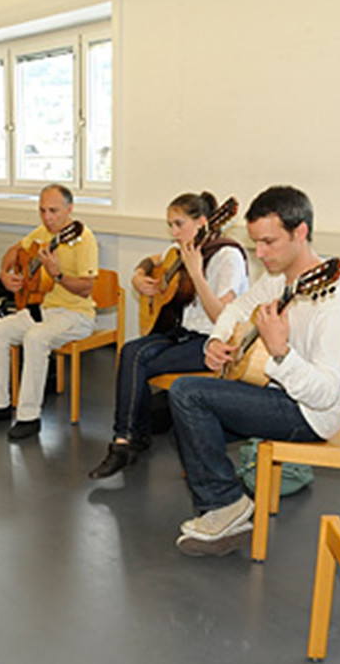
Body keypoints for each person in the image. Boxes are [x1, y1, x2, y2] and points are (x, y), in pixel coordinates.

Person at [169, 186, 340, 556]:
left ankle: (227, 505)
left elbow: (325, 394)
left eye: (268, 242)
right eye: (255, 242)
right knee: (178, 418)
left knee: (187, 394)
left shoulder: (336, 301)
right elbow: (237, 309)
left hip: (312, 414)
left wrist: (280, 352)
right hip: (276, 393)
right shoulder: (279, 278)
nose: (259, 254)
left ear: (300, 232)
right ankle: (228, 506)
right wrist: (217, 341)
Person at [88, 191, 248, 478]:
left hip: (213, 341)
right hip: (182, 332)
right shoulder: (180, 249)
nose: (173, 232)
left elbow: (221, 318)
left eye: (179, 224)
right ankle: (128, 439)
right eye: (170, 225)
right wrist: (138, 276)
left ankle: (128, 441)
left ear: (202, 222)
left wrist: (196, 274)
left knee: (140, 362)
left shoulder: (228, 256)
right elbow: (151, 260)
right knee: (130, 350)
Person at [0, 184, 99, 439]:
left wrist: (57, 275)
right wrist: (5, 274)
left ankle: (29, 417)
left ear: (69, 209)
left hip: (77, 314)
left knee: (35, 338)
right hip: (44, 310)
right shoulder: (42, 233)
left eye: (53, 211)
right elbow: (14, 252)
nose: (47, 217)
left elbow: (86, 289)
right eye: (42, 211)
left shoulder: (83, 239)